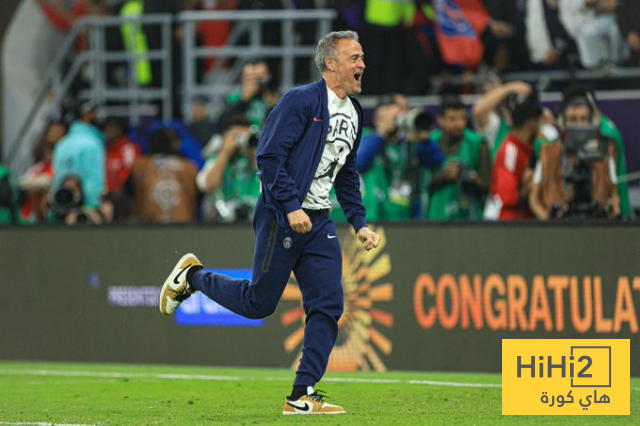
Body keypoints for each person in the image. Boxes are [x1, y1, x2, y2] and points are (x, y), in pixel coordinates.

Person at [158, 30, 380, 415]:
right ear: (330, 64)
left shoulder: (355, 113)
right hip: (281, 213)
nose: (362, 64)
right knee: (258, 303)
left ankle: (301, 395)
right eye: (354, 58)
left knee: (328, 305)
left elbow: (346, 174)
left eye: (361, 57)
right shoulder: (300, 100)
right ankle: (193, 277)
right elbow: (269, 156)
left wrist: (359, 222)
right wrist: (291, 206)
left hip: (319, 220)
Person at [529, 97, 620, 220]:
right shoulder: (549, 153)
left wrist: (609, 215)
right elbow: (533, 200)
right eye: (573, 119)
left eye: (583, 119)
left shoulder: (603, 154)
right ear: (563, 123)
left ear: (591, 122)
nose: (579, 124)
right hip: (559, 224)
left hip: (595, 223)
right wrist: (547, 220)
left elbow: (614, 197)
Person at [426, 95, 490, 221]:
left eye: (462, 118)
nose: (459, 124)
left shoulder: (478, 143)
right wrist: (444, 176)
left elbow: (487, 185)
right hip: (435, 217)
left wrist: (472, 178)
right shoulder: (429, 143)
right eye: (452, 119)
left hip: (469, 217)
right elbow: (421, 183)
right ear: (440, 120)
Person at [484, 96, 542, 221]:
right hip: (506, 222)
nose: (541, 128)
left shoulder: (529, 149)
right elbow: (506, 197)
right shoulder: (509, 151)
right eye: (540, 123)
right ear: (531, 124)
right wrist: (528, 189)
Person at [196, 113, 259, 223]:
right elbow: (208, 185)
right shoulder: (215, 159)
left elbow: (269, 178)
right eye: (236, 136)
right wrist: (225, 152)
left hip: (253, 221)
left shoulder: (255, 158)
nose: (241, 140)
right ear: (224, 136)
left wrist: (252, 153)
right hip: (222, 223)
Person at [128, 128, 199, 223]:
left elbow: (129, 194)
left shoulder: (140, 166)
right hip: (183, 225)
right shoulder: (189, 167)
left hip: (149, 226)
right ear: (174, 144)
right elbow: (198, 197)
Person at [50, 100, 105, 216]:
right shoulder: (91, 144)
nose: (96, 115)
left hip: (62, 206)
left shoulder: (61, 144)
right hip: (85, 210)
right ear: (85, 115)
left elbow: (57, 180)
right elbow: (93, 180)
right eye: (93, 112)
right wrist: (93, 207)